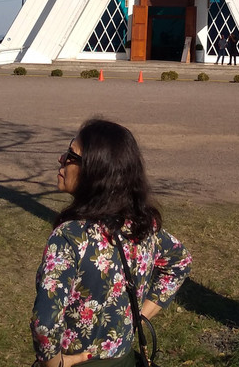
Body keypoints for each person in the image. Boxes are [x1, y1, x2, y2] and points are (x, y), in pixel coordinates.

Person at [31, 119, 192, 366]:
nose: (61, 159)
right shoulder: (141, 227)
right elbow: (179, 261)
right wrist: (138, 318)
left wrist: (57, 364)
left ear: (96, 172)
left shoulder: (69, 237)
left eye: (71, 156)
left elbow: (45, 324)